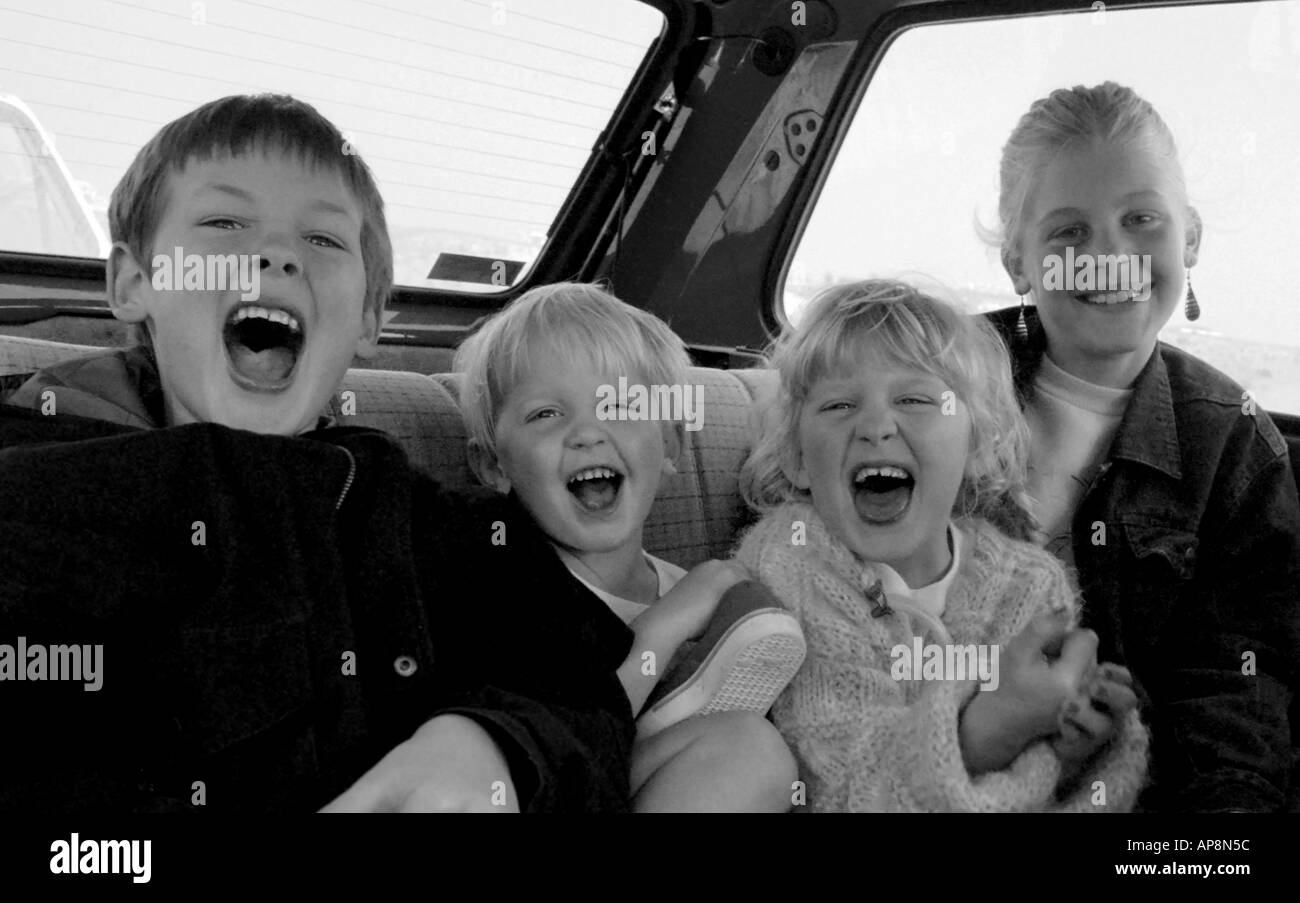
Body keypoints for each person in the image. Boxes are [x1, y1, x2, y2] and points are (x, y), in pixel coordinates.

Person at [0, 94, 634, 813]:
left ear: (369, 318)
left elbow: (580, 693)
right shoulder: (37, 484)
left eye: (325, 240)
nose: (275, 254)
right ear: (133, 282)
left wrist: (494, 748)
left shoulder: (422, 522)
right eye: (223, 223)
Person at [988, 81, 1300, 812]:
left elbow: (1236, 699)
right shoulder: (935, 376)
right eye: (1068, 232)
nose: (1109, 256)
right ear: (1017, 262)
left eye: (1142, 219)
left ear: (1189, 238)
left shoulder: (1232, 443)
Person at [734, 279, 1149, 812]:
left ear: (977, 447)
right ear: (796, 458)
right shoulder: (790, 565)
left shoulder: (1028, 584)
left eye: (914, 399)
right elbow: (842, 786)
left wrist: (1072, 754)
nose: (877, 426)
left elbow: (1056, 787)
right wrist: (990, 731)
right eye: (838, 405)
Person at [452, 282, 803, 812]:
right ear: (493, 466)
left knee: (753, 746)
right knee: (746, 749)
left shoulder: (690, 592)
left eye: (619, 404)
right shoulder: (502, 582)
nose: (587, 433)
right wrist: (663, 630)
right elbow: (549, 748)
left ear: (671, 445)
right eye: (546, 414)